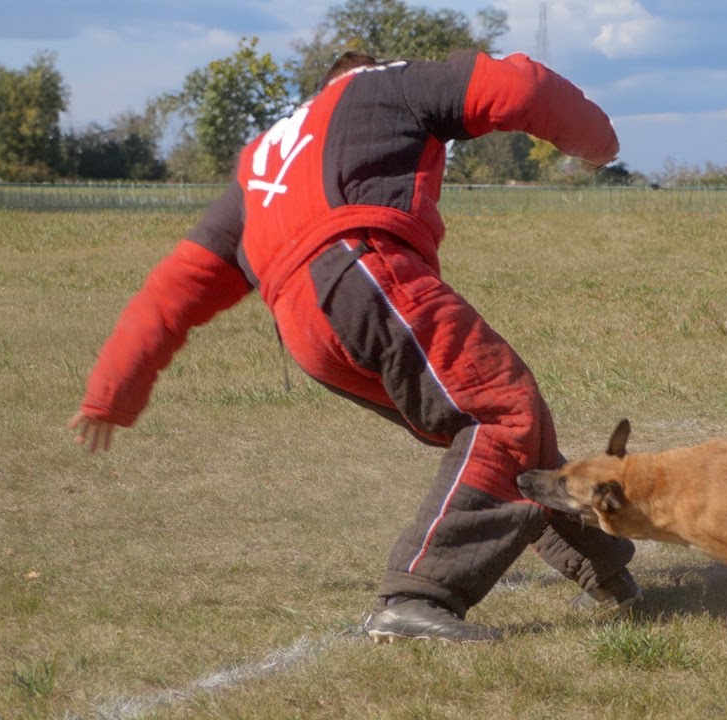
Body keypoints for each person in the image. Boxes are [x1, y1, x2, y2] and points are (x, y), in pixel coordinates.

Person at [67, 49, 640, 643]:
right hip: (360, 270)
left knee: (496, 424)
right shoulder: (384, 84)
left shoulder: (261, 164)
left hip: (308, 330)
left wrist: (112, 391)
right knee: (501, 408)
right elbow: (516, 84)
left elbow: (178, 284)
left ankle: (602, 572)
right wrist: (596, 142)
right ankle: (417, 596)